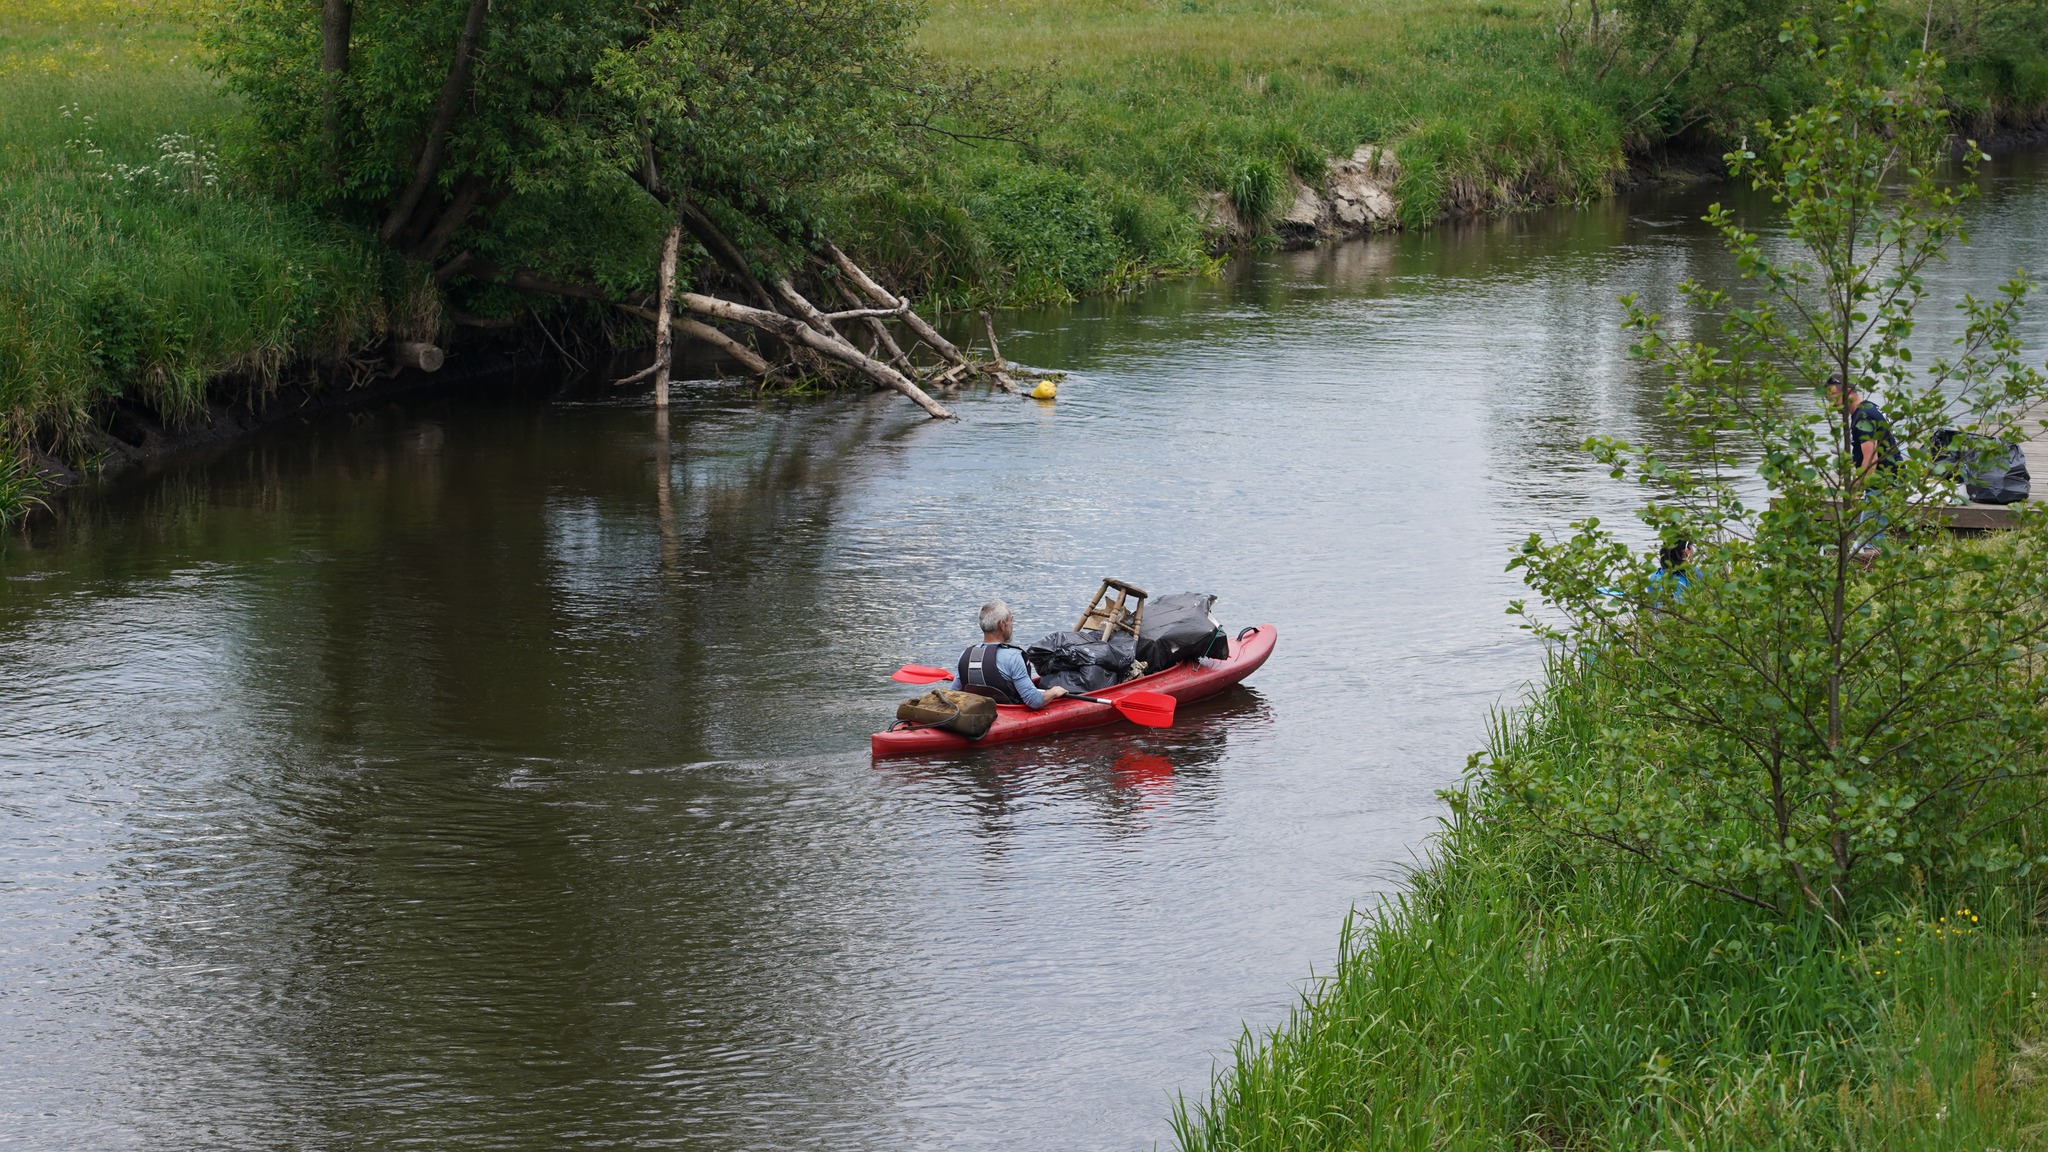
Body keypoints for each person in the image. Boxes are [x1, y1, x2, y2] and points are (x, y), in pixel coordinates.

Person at [948, 599, 1068, 708]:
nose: (1012, 624)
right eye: (1011, 620)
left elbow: (953, 695)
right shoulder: (1013, 657)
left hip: (979, 712)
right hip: (1010, 715)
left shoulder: (966, 654)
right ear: (1002, 624)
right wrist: (1053, 692)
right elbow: (1034, 701)